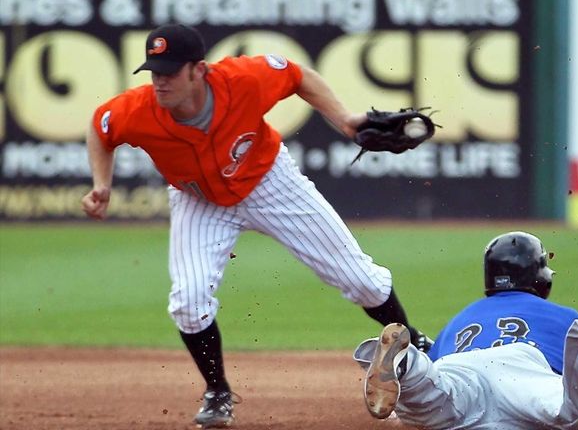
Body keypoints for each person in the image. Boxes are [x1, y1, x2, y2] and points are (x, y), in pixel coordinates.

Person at [80, 24, 432, 429]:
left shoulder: (241, 80)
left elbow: (298, 75)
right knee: (189, 302)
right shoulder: (137, 109)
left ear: (198, 70)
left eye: (170, 71)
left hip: (269, 181)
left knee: (362, 280)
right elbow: (99, 126)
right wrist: (101, 185)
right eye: (155, 71)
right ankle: (218, 391)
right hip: (199, 201)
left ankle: (415, 342)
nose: (160, 81)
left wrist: (347, 121)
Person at [354, 231, 578, 430]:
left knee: (428, 403)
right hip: (523, 370)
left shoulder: (460, 319)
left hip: (460, 369)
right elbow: (569, 379)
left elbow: (437, 372)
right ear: (539, 276)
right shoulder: (558, 314)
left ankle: (408, 364)